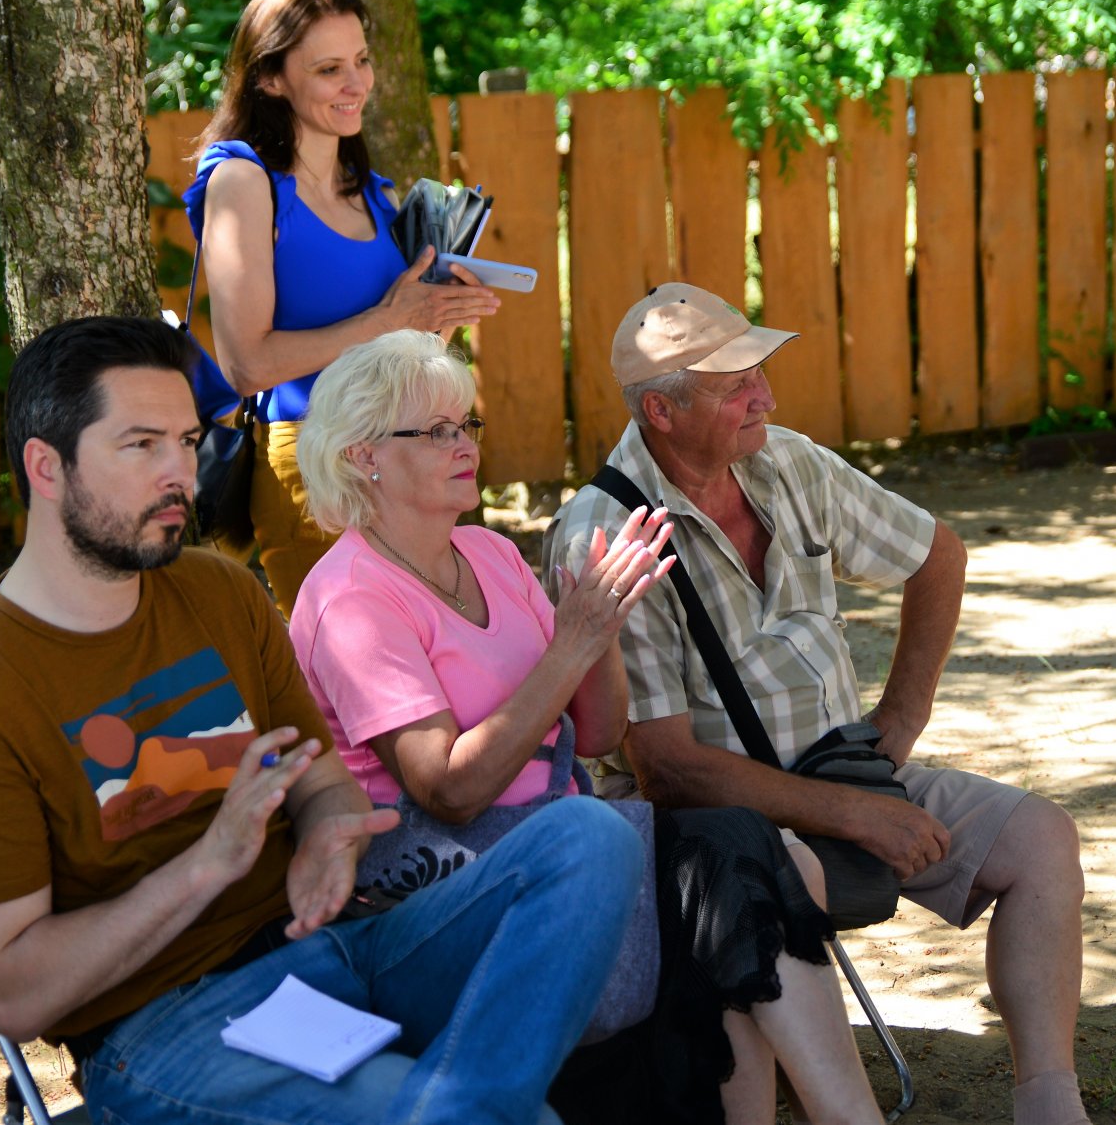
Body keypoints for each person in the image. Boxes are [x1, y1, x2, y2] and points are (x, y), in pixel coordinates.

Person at [0, 316, 642, 1125]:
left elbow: (328, 788)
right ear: (47, 466)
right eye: (142, 446)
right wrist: (206, 866)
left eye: (186, 441)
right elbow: (14, 996)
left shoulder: (219, 594)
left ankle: (465, 1108)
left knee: (590, 837)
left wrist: (327, 834)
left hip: (330, 953)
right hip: (165, 1027)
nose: (180, 472)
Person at [287, 331, 884, 1125]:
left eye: (467, 425)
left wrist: (601, 628)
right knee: (733, 862)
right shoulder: (352, 597)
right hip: (450, 886)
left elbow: (598, 735)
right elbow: (450, 789)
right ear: (363, 455)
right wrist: (571, 641)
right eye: (436, 431)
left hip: (563, 838)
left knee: (748, 849)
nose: (465, 445)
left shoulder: (489, 554)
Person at [543, 283, 1092, 1125]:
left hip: (841, 773)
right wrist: (854, 814)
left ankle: (1051, 1105)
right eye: (736, 386)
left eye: (760, 372)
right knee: (769, 879)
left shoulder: (789, 462)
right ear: (660, 409)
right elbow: (670, 771)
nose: (765, 396)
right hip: (717, 828)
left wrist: (900, 722)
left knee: (1042, 839)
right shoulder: (608, 536)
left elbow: (938, 557)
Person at [183, 0, 500, 615]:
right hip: (315, 461)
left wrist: (438, 313)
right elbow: (245, 366)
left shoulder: (376, 194)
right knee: (354, 668)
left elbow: (396, 345)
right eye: (329, 69)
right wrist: (388, 319)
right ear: (270, 78)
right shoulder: (243, 181)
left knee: (437, 650)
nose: (357, 83)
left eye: (361, 60)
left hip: (413, 452)